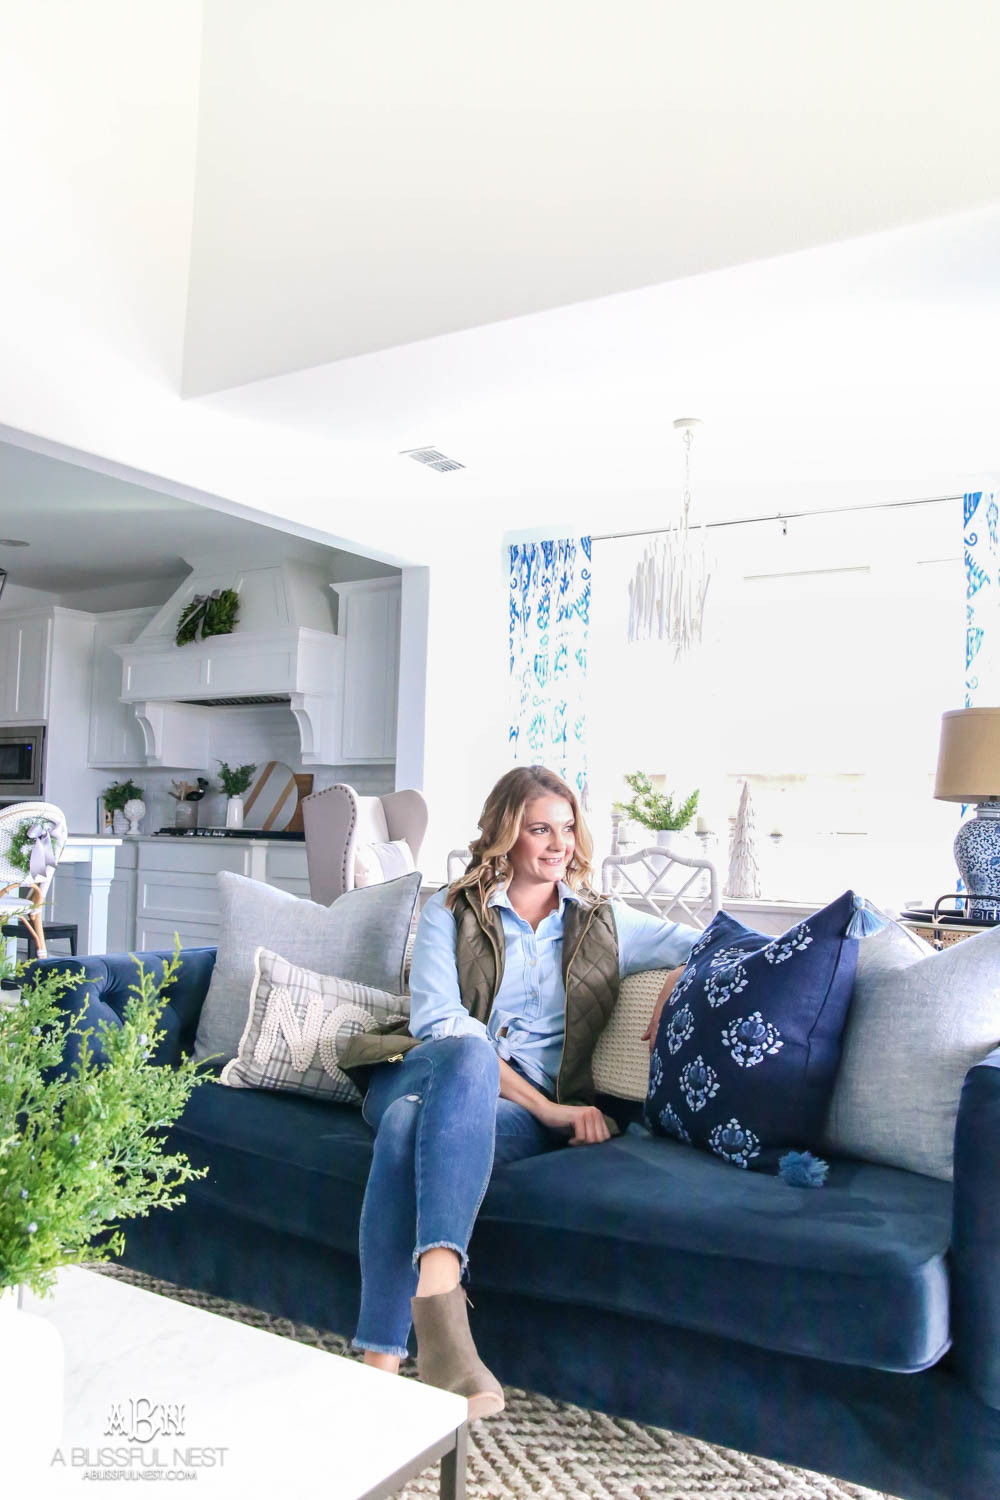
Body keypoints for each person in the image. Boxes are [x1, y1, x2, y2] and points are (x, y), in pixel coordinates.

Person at [349, 764, 699, 1419]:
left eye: (567, 828)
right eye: (540, 828)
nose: (557, 843)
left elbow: (727, 941)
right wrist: (547, 1107)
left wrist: (682, 972)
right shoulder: (450, 911)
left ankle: (379, 1368)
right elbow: (439, 1023)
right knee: (469, 1055)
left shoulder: (605, 922)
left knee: (405, 1130)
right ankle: (443, 1315)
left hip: (493, 1116)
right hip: (428, 1070)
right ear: (506, 833)